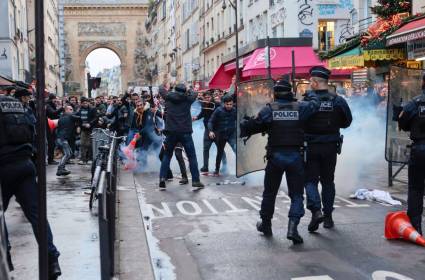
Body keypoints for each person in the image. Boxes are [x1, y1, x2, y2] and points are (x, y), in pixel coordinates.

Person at [240, 79, 319, 244]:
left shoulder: (269, 110)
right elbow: (315, 105)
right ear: (290, 92)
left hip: (275, 157)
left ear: (275, 94)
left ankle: (266, 224)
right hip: (296, 157)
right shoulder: (301, 108)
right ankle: (292, 228)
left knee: (270, 193)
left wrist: (244, 122)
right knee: (296, 194)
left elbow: (253, 126)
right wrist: (309, 92)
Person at [0, 93, 61, 278]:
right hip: (25, 164)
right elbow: (35, 131)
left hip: (3, 166)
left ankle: (5, 260)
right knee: (37, 215)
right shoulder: (16, 105)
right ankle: (52, 261)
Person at [303, 66, 352, 232]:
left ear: (316, 83)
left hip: (311, 147)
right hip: (330, 147)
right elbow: (347, 122)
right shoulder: (338, 100)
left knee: (310, 180)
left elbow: (299, 121)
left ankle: (316, 211)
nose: (310, 84)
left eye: (311, 82)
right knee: (328, 181)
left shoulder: (307, 101)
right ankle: (328, 217)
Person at [158, 83, 204, 190]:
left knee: (167, 156)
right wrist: (189, 88)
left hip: (171, 132)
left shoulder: (168, 96)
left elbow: (161, 89)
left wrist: (166, 86)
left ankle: (162, 179)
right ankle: (196, 180)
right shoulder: (188, 99)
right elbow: (194, 92)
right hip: (185, 132)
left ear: (175, 90)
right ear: (184, 91)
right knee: (192, 157)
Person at [396, 74, 425, 235]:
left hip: (420, 150)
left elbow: (402, 122)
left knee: (416, 189)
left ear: (423, 83)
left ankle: (415, 227)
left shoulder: (415, 103)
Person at [193, 90, 226, 173]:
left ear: (211, 97)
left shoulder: (216, 104)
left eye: (209, 97)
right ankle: (205, 166)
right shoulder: (204, 104)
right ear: (204, 98)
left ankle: (225, 165)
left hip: (217, 130)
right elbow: (202, 113)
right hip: (207, 129)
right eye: (206, 97)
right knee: (206, 148)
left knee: (220, 148)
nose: (207, 99)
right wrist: (196, 117)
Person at [208, 94, 236, 176]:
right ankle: (217, 169)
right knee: (220, 153)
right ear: (224, 103)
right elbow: (211, 121)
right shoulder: (218, 110)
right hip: (221, 135)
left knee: (236, 150)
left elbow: (241, 119)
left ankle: (242, 169)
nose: (229, 106)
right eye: (227, 104)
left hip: (231, 135)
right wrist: (210, 131)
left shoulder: (235, 110)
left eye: (231, 104)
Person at [56, 105, 79, 176]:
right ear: (66, 110)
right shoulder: (68, 117)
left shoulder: (62, 117)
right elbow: (78, 117)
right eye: (71, 109)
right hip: (62, 139)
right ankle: (60, 169)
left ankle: (62, 168)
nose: (72, 111)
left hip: (61, 138)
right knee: (67, 154)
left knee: (69, 153)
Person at [76, 97, 97, 164]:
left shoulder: (92, 109)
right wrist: (78, 126)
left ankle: (90, 159)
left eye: (86, 103)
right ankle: (83, 159)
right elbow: (78, 119)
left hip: (91, 129)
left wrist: (90, 124)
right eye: (84, 103)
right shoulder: (79, 110)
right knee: (82, 144)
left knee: (90, 144)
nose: (85, 104)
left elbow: (96, 118)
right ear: (81, 103)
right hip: (83, 129)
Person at [46, 94, 63, 165]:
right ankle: (50, 159)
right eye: (55, 99)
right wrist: (61, 108)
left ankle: (51, 159)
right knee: (51, 143)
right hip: (49, 126)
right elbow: (52, 113)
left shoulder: (51, 105)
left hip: (52, 126)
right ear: (52, 99)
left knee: (52, 143)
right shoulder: (48, 105)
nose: (56, 100)